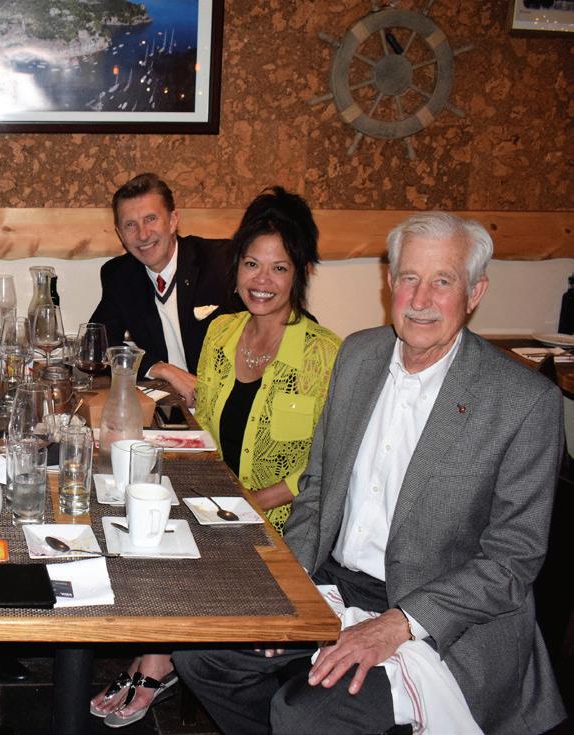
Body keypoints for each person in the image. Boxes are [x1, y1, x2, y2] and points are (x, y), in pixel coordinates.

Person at [173, 213, 567, 734]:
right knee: (201, 655)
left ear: (475, 292)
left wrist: (398, 624)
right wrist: (290, 587)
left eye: (442, 281)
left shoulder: (524, 401)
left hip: (442, 619)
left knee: (304, 715)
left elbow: (513, 561)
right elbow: (316, 491)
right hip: (336, 585)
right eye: (409, 278)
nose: (420, 299)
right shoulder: (358, 355)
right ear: (390, 282)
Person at [90, 188, 341, 728]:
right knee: (125, 516)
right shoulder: (224, 332)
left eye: (279, 267)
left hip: (279, 523)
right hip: (219, 504)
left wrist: (247, 503)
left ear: (301, 273)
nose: (261, 280)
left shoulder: (325, 354)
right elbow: (203, 427)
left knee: (157, 540)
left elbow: (329, 468)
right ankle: (157, 648)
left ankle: (159, 658)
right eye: (251, 264)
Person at [90, 173, 239, 405]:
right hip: (171, 406)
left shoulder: (221, 261)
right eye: (130, 225)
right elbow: (97, 345)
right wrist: (161, 369)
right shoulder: (120, 275)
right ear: (120, 234)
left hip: (228, 402)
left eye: (151, 219)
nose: (142, 234)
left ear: (172, 221)